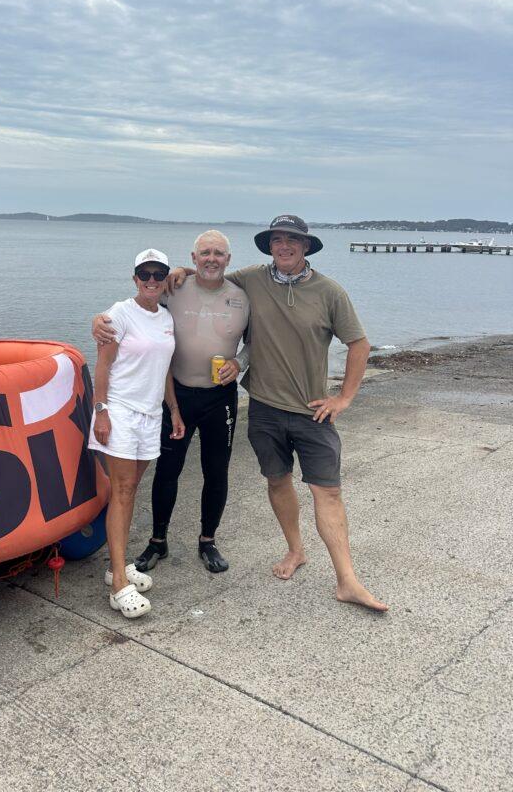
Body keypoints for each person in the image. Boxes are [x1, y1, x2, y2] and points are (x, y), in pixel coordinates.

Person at [170, 214, 388, 612]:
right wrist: (179, 272)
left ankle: (347, 580)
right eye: (277, 240)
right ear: (269, 246)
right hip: (265, 408)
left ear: (306, 246)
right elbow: (211, 275)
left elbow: (359, 344)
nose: (284, 246)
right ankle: (295, 550)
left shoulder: (329, 292)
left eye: (292, 240)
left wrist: (343, 398)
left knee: (328, 491)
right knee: (277, 481)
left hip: (312, 410)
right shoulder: (253, 279)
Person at [93, 231, 249, 573]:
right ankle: (157, 541)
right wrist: (98, 321)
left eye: (218, 253)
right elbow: (135, 304)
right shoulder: (173, 288)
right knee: (167, 470)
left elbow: (254, 341)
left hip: (220, 397)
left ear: (228, 259)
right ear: (193, 258)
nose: (211, 259)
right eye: (204, 253)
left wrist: (240, 362)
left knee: (216, 470)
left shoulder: (242, 296)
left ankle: (208, 540)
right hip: (177, 395)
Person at [89, 248, 183, 619]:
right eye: (145, 274)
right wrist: (101, 412)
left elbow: (164, 369)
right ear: (135, 279)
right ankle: (117, 584)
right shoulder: (119, 314)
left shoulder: (166, 317)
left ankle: (118, 564)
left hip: (150, 415)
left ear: (165, 280)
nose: (151, 281)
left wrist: (173, 409)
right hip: (120, 413)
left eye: (158, 275)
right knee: (123, 491)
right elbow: (102, 366)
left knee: (127, 493)